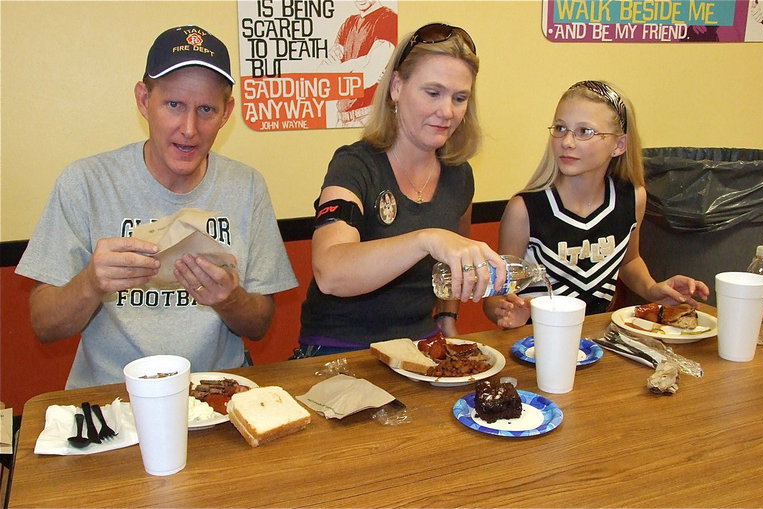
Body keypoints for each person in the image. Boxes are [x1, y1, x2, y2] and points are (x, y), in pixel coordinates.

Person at [15, 26, 298, 388]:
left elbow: (259, 325)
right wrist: (91, 282)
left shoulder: (247, 187)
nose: (189, 129)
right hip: (110, 394)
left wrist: (229, 299)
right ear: (143, 99)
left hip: (214, 391)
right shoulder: (86, 181)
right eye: (174, 105)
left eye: (206, 109)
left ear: (227, 113)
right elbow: (44, 325)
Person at [295, 23, 506, 357]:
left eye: (459, 98)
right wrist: (427, 239)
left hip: (420, 343)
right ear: (396, 87)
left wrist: (448, 314)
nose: (447, 112)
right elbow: (331, 272)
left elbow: (454, 261)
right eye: (433, 93)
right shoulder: (354, 165)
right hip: (342, 350)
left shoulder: (459, 175)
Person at [483, 80, 709, 329]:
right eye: (560, 128)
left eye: (584, 131)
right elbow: (495, 296)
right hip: (537, 342)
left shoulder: (633, 197)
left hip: (599, 338)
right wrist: (508, 313)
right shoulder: (524, 209)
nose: (567, 141)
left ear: (619, 145)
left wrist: (652, 289)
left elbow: (629, 261)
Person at [318, 0, 397, 127]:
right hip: (342, 119)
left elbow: (369, 74)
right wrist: (361, 64)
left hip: (370, 117)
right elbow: (322, 74)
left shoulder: (388, 19)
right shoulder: (349, 23)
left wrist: (339, 72)